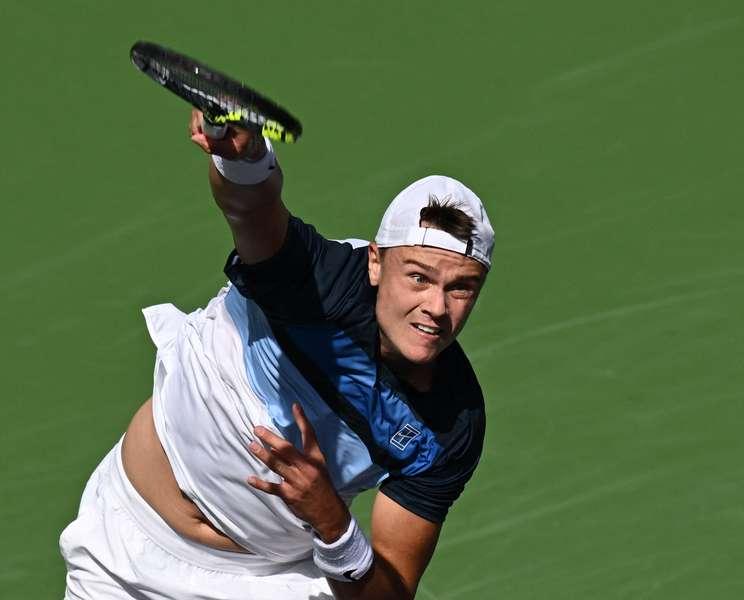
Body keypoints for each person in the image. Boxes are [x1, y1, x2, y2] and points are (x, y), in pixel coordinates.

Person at [59, 110, 495, 600]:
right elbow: (254, 210)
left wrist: (335, 524)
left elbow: (389, 593)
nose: (436, 308)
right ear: (375, 262)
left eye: (461, 289)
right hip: (125, 550)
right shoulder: (319, 282)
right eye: (418, 277)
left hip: (270, 584)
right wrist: (242, 156)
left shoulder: (450, 424)